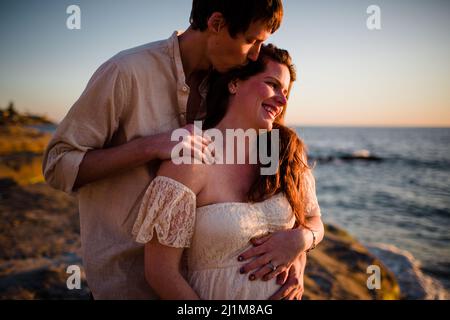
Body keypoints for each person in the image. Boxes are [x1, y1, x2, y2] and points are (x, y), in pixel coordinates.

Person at [43, 0, 310, 299]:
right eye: (251, 41)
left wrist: (297, 252)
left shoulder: (226, 87)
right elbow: (57, 164)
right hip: (128, 285)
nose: (255, 55)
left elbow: (281, 196)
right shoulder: (126, 72)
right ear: (217, 24)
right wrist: (149, 147)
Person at [132, 44, 325, 300]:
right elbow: (160, 272)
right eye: (272, 84)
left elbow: (314, 220)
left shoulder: (285, 153)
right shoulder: (191, 159)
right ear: (234, 84)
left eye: (286, 91)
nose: (282, 99)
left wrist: (301, 241)